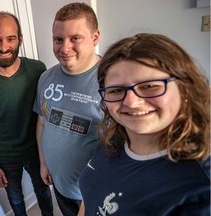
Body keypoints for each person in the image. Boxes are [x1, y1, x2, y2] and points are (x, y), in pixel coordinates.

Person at [78, 33, 210, 215]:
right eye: (116, 90)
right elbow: (89, 199)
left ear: (185, 89)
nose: (131, 102)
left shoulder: (200, 187)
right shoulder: (113, 138)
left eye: (149, 86)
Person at [0, 11, 53, 216]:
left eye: (10, 39)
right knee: (15, 199)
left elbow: (45, 114)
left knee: (43, 192)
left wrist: (50, 153)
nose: (4, 47)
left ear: (20, 40)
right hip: (5, 157)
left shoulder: (37, 69)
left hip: (37, 151)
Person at [33, 2, 103, 216]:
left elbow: (118, 146)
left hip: (94, 194)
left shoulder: (111, 81)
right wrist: (44, 163)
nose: (64, 48)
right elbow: (42, 121)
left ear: (95, 37)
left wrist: (93, 194)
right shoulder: (46, 77)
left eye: (75, 38)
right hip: (61, 186)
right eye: (58, 39)